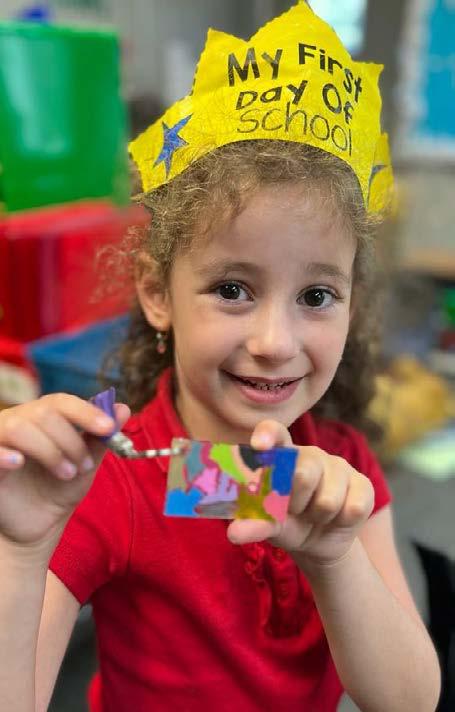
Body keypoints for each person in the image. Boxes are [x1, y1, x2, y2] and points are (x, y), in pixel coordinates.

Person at [0, 3, 440, 711]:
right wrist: (19, 554)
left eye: (316, 295)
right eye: (232, 289)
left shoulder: (343, 469)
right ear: (157, 293)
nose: (274, 343)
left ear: (352, 306)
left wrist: (334, 557)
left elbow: (409, 700)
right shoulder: (109, 482)